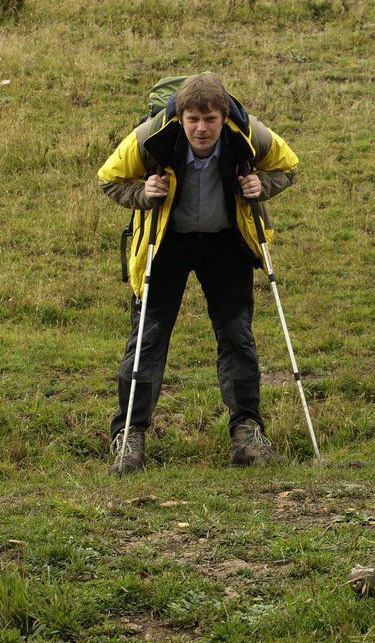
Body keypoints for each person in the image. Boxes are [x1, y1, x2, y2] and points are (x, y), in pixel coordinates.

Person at [97, 73, 299, 475]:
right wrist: (143, 193)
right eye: (193, 120)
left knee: (237, 336)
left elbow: (288, 168)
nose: (201, 128)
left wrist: (263, 185)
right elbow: (109, 178)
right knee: (147, 339)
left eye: (209, 119)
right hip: (165, 242)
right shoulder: (151, 136)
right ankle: (130, 436)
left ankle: (247, 433)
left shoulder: (249, 134)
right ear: (180, 118)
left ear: (224, 117)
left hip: (226, 243)